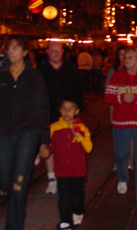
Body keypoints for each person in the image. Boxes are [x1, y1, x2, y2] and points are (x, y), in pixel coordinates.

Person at [0, 35, 51, 230]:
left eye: (16, 48)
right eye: (9, 48)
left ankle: (14, 225)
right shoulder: (0, 75)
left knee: (19, 181)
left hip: (28, 133)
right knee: (4, 180)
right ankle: (16, 207)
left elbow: (42, 107)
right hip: (3, 133)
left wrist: (44, 140)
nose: (11, 52)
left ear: (25, 52)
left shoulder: (34, 76)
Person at [105, 47, 137, 204]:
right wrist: (121, 98)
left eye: (131, 57)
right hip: (121, 121)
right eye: (125, 57)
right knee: (120, 154)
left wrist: (135, 98)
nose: (127, 60)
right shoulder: (117, 76)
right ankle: (123, 177)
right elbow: (108, 96)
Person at [39, 40, 84, 195]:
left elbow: (78, 91)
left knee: (67, 146)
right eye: (52, 51)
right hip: (48, 114)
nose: (55, 54)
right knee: (49, 145)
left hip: (68, 115)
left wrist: (77, 111)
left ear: (63, 52)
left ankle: (66, 176)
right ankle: (52, 178)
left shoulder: (71, 70)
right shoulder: (41, 71)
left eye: (58, 51)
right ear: (47, 52)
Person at [50, 98, 93, 230]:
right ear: (60, 110)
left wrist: (79, 136)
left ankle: (78, 211)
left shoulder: (82, 128)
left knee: (77, 197)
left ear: (76, 111)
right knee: (64, 197)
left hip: (78, 170)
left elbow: (89, 148)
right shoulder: (54, 128)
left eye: (70, 109)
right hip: (61, 169)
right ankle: (66, 222)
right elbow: (50, 146)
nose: (67, 112)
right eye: (64, 109)